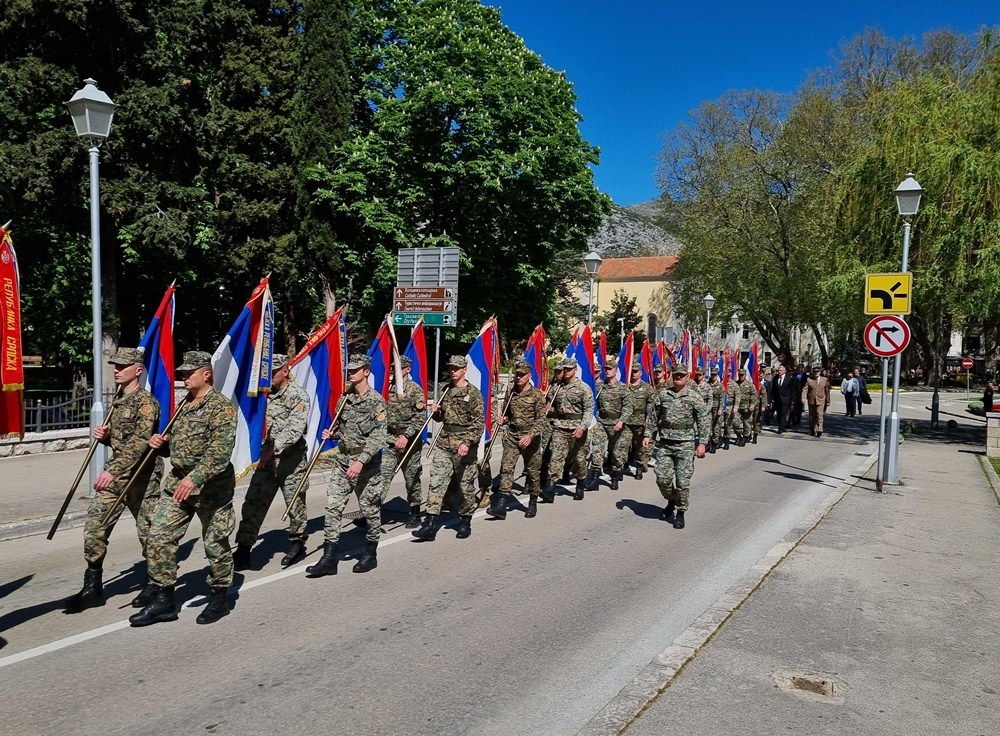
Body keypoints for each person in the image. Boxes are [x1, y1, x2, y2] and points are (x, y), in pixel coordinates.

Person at [130, 350, 237, 627]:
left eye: (189, 373)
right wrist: (160, 444)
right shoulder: (183, 404)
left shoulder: (221, 408)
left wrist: (195, 478)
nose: (184, 377)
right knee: (158, 536)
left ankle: (219, 595)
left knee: (216, 543)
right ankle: (164, 598)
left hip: (211, 488)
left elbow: (220, 453)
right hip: (178, 484)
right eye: (182, 373)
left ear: (206, 373)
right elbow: (177, 445)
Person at [66, 348, 163, 613]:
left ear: (138, 370)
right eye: (115, 366)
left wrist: (112, 470)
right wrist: (106, 436)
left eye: (123, 366)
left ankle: (155, 584)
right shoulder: (119, 400)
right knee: (95, 526)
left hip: (141, 478)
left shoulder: (145, 402)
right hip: (118, 476)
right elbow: (123, 440)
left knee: (150, 533)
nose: (117, 370)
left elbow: (140, 443)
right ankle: (93, 586)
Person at [305, 354, 387, 577]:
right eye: (349, 370)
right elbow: (344, 429)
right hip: (342, 461)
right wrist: (333, 434)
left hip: (365, 465)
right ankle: (329, 558)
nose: (350, 373)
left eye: (355, 370)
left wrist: (361, 461)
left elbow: (378, 436)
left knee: (370, 509)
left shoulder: (376, 401)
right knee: (332, 506)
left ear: (366, 372)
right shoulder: (344, 399)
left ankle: (370, 554)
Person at [233, 354, 310, 571]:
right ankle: (244, 548)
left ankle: (297, 543)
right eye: (267, 372)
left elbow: (295, 430)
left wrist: (273, 449)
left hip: (290, 462)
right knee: (253, 504)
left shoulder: (298, 396)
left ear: (285, 371)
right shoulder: (261, 396)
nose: (269, 376)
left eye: (274, 372)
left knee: (295, 505)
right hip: (266, 463)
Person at [412, 355, 484, 541]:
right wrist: (436, 412)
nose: (453, 371)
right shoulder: (445, 389)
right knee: (436, 482)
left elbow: (478, 424)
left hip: (464, 445)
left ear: (464, 370)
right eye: (451, 368)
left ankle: (465, 520)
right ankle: (430, 523)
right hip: (444, 442)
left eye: (456, 368)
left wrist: (466, 443)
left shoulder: (473, 393)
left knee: (465, 486)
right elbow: (441, 419)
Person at [643, 364, 709, 530]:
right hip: (665, 444)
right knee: (662, 479)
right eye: (676, 375)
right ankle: (671, 500)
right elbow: (653, 417)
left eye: (682, 375)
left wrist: (702, 443)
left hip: (685, 444)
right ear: (672, 376)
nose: (678, 377)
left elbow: (703, 421)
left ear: (687, 377)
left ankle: (680, 512)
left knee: (682, 482)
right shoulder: (664, 395)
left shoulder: (694, 397)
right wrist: (647, 434)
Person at [489, 360, 547, 519]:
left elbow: (541, 420)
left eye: (522, 375)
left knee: (533, 471)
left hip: (530, 438)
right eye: (517, 374)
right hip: (512, 436)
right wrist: (504, 419)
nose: (519, 377)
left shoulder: (537, 396)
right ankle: (501, 503)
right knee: (506, 468)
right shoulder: (511, 392)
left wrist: (530, 435)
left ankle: (533, 501)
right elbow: (508, 412)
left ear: (529, 376)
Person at [378, 355, 427, 529]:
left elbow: (420, 418)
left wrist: (406, 436)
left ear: (407, 369)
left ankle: (414, 512)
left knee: (411, 478)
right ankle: (373, 514)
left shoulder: (414, 390)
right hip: (391, 440)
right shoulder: (389, 389)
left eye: (398, 368)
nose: (393, 371)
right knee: (382, 476)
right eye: (393, 368)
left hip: (410, 442)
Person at [544, 358, 594, 501]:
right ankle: (550, 487)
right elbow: (554, 408)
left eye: (569, 369)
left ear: (575, 370)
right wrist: (550, 409)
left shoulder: (584, 388)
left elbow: (589, 411)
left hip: (576, 428)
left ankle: (580, 482)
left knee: (579, 460)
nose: (565, 372)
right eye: (564, 369)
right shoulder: (557, 388)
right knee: (556, 457)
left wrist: (582, 427)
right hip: (560, 426)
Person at [589, 358, 632, 490]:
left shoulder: (622, 388)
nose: (607, 371)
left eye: (610, 369)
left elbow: (628, 407)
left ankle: (615, 475)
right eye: (605, 369)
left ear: (616, 370)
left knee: (617, 453)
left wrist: (621, 421)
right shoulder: (599, 387)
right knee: (597, 449)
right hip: (602, 422)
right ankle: (595, 478)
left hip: (617, 424)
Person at [624, 361, 654, 476]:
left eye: (636, 372)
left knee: (639, 445)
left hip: (640, 420)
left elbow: (650, 406)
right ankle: (623, 464)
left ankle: (639, 466)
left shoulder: (647, 388)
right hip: (626, 420)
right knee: (624, 444)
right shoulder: (625, 386)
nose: (633, 374)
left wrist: (648, 419)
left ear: (641, 373)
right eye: (632, 371)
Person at [730, 368, 757, 446]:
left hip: (747, 407)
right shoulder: (735, 384)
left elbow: (754, 395)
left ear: (745, 375)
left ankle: (745, 437)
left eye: (742, 375)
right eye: (740, 375)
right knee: (735, 422)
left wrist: (752, 405)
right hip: (737, 407)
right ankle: (739, 435)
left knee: (747, 423)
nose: (741, 376)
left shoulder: (750, 385)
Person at [802, 365, 831, 437]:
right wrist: (803, 398)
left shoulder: (824, 380)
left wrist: (828, 401)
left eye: (817, 372)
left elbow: (827, 391)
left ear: (820, 372)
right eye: (815, 372)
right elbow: (805, 389)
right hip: (811, 400)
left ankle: (819, 429)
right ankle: (812, 429)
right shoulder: (809, 379)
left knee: (819, 415)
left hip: (821, 400)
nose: (816, 373)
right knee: (812, 416)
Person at [771, 365, 794, 433]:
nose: (779, 372)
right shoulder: (775, 378)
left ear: (784, 371)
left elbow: (791, 390)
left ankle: (780, 428)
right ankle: (781, 426)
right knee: (779, 413)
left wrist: (792, 400)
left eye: (780, 370)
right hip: (777, 399)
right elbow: (773, 389)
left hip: (785, 399)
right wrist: (772, 398)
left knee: (783, 413)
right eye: (778, 370)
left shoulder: (789, 379)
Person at [708, 367, 725, 453]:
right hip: (708, 408)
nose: (713, 376)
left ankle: (715, 443)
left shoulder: (720, 386)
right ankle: (709, 443)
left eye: (715, 375)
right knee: (708, 426)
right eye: (712, 375)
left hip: (716, 407)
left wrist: (720, 409)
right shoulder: (708, 384)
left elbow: (722, 399)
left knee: (716, 426)